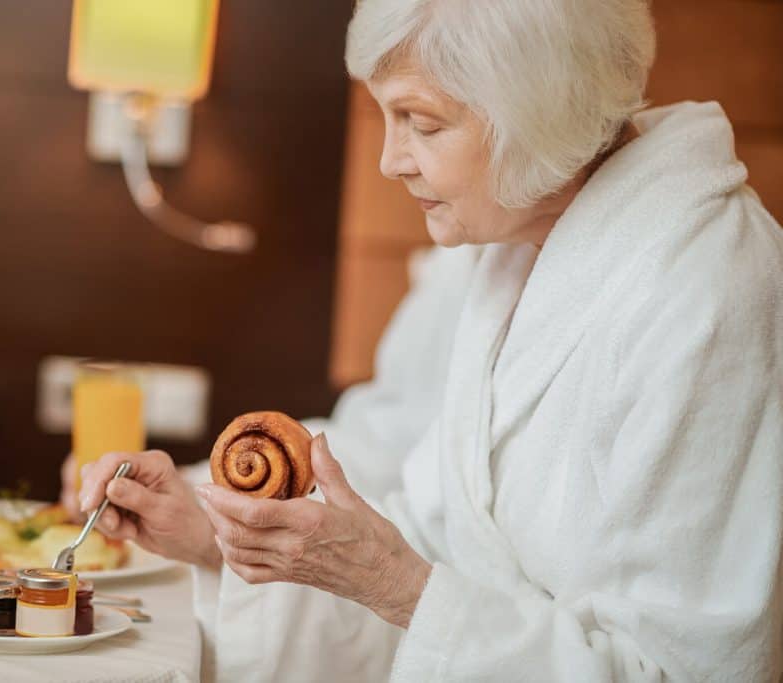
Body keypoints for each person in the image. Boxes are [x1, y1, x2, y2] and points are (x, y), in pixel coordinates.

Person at [75, 0, 783, 680]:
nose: (391, 160)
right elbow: (437, 537)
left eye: (421, 122)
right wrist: (218, 534)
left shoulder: (711, 299)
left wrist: (394, 583)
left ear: (537, 113)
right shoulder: (514, 251)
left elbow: (686, 671)